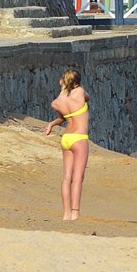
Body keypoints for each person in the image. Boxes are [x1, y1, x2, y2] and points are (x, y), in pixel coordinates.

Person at [41, 67, 91, 220]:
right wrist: (72, 87)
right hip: (79, 138)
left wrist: (51, 124)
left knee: (66, 178)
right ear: (76, 83)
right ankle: (75, 213)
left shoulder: (56, 102)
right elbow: (87, 98)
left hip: (66, 138)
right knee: (77, 178)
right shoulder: (80, 92)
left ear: (62, 82)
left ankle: (66, 213)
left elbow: (65, 117)